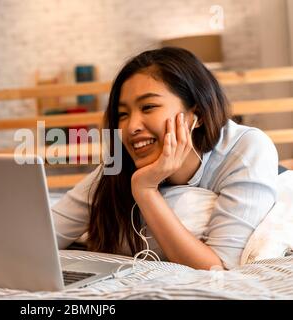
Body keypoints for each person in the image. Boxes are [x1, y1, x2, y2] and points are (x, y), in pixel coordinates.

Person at [52, 47, 278, 270]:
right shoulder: (118, 166)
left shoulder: (246, 150)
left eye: (148, 107)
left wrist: (145, 190)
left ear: (196, 115)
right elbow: (46, 233)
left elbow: (218, 268)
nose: (131, 127)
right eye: (123, 114)